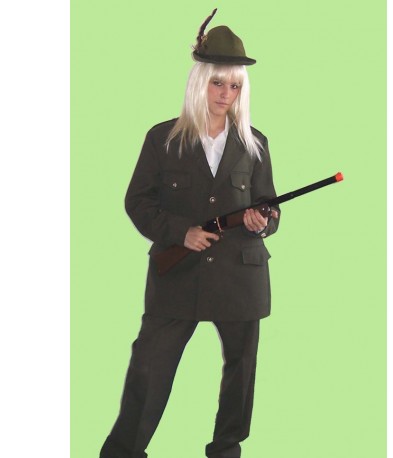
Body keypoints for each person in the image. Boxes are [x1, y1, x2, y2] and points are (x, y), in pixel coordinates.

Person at [100, 9, 279, 458]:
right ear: (199, 82)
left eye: (234, 86)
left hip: (240, 276)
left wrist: (263, 220)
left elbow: (269, 207)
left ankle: (226, 450)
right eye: (218, 83)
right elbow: (138, 202)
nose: (226, 94)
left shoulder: (255, 143)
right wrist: (182, 233)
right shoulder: (162, 139)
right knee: (148, 368)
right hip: (177, 274)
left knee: (241, 372)